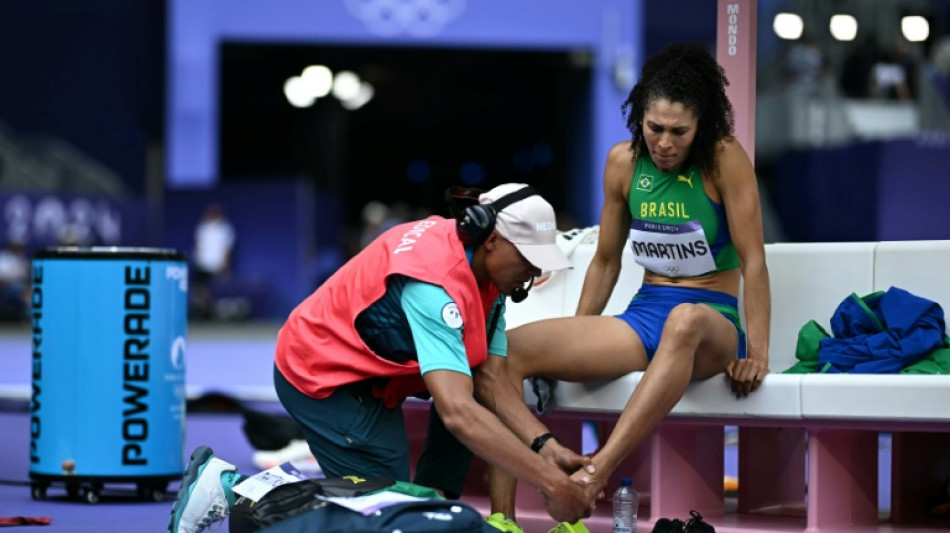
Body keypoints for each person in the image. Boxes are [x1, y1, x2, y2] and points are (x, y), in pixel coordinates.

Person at [167, 183, 596, 533]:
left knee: (414, 505)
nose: (535, 273)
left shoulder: (493, 281)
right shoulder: (435, 285)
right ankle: (230, 488)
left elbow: (492, 381)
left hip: (368, 374)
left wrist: (546, 447)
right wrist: (551, 482)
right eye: (528, 259)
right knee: (381, 512)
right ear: (493, 240)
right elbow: (459, 413)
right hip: (323, 377)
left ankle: (429, 516)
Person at [485, 43, 771, 533]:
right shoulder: (623, 163)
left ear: (702, 126)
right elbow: (604, 261)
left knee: (685, 320)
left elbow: (753, 260)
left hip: (711, 322)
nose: (663, 142)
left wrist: (758, 353)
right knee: (505, 351)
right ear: (639, 117)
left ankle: (594, 475)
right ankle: (502, 519)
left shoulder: (724, 160)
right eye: (653, 127)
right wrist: (574, 340)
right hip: (644, 316)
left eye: (678, 132)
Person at [190, 203, 236, 318]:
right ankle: (201, 311)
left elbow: (227, 249)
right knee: (200, 289)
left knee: (214, 291)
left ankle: (212, 313)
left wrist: (225, 265)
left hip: (216, 265)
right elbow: (197, 245)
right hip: (202, 264)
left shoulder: (226, 229)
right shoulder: (202, 228)